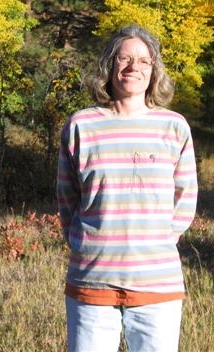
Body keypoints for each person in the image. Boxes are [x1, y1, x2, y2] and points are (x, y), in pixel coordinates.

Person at [56, 24, 198, 352]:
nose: (133, 67)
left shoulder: (174, 127)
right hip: (91, 280)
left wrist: (157, 241)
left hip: (157, 284)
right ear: (109, 66)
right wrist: (86, 242)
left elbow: (185, 196)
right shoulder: (81, 125)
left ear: (154, 70)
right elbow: (67, 197)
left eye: (143, 61)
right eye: (124, 58)